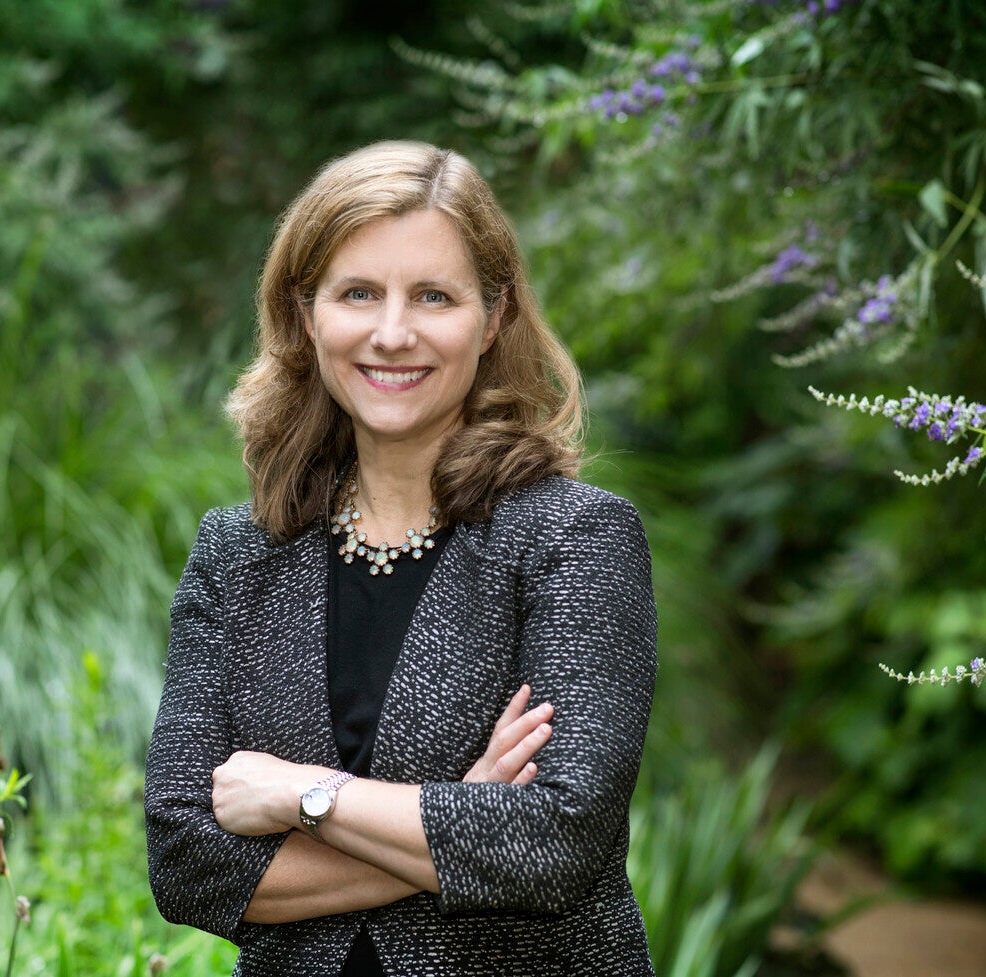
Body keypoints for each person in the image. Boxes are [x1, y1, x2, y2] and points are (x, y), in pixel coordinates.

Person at [143, 140, 658, 976]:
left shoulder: (576, 540)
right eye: (358, 293)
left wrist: (303, 797)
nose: (392, 333)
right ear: (307, 315)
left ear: (493, 317)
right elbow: (188, 868)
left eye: (433, 295)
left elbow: (554, 846)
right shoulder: (238, 556)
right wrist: (463, 814)